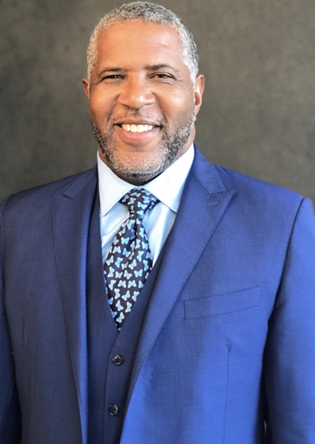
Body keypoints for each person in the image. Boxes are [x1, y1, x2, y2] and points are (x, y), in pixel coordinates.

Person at [1, 2, 315, 443]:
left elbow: (301, 427)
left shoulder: (281, 225)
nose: (135, 96)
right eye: (114, 76)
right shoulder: (16, 225)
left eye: (161, 75)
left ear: (197, 93)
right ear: (88, 90)